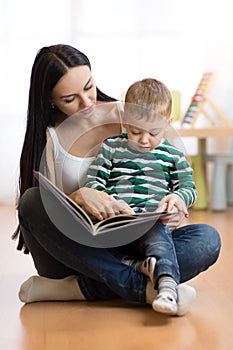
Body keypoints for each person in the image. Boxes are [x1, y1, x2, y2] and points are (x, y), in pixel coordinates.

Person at [14, 44, 221, 317]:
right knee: (31, 200)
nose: (87, 102)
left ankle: (76, 290)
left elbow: (173, 180)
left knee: (206, 239)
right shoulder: (49, 136)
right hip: (80, 252)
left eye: (89, 86)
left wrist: (172, 208)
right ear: (50, 99)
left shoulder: (134, 115)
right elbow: (52, 212)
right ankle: (149, 286)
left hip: (138, 241)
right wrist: (79, 196)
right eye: (70, 99)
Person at [83, 78, 197, 314]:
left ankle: (162, 285)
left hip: (153, 226)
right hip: (115, 225)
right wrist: (110, 202)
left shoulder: (173, 156)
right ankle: (150, 275)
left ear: (168, 123)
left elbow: (188, 188)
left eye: (154, 132)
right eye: (135, 131)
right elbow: (93, 184)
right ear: (125, 121)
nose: (144, 140)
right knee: (91, 242)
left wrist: (178, 198)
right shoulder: (111, 147)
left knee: (198, 239)